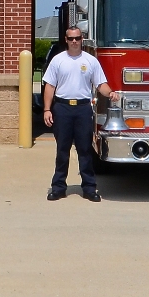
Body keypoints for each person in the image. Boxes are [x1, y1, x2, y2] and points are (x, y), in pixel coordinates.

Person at [41, 26, 117, 202]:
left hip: (83, 109)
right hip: (62, 108)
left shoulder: (91, 61)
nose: (74, 41)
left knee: (85, 150)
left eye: (77, 38)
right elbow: (50, 86)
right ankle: (58, 187)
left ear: (82, 39)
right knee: (62, 150)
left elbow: (100, 84)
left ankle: (89, 188)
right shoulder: (58, 60)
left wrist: (110, 93)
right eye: (71, 39)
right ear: (66, 40)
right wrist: (47, 109)